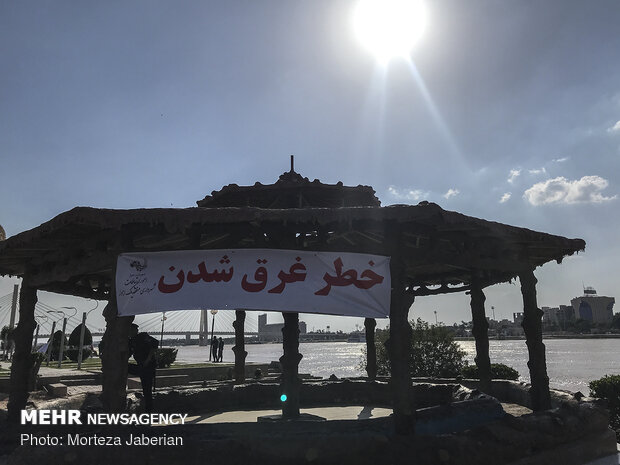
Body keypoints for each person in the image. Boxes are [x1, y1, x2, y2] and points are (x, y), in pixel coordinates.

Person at [128, 324, 159, 413]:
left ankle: (148, 411)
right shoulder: (131, 341)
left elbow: (155, 344)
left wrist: (148, 359)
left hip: (148, 366)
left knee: (147, 389)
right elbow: (128, 353)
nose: (129, 333)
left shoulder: (143, 337)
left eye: (131, 330)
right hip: (141, 366)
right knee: (125, 367)